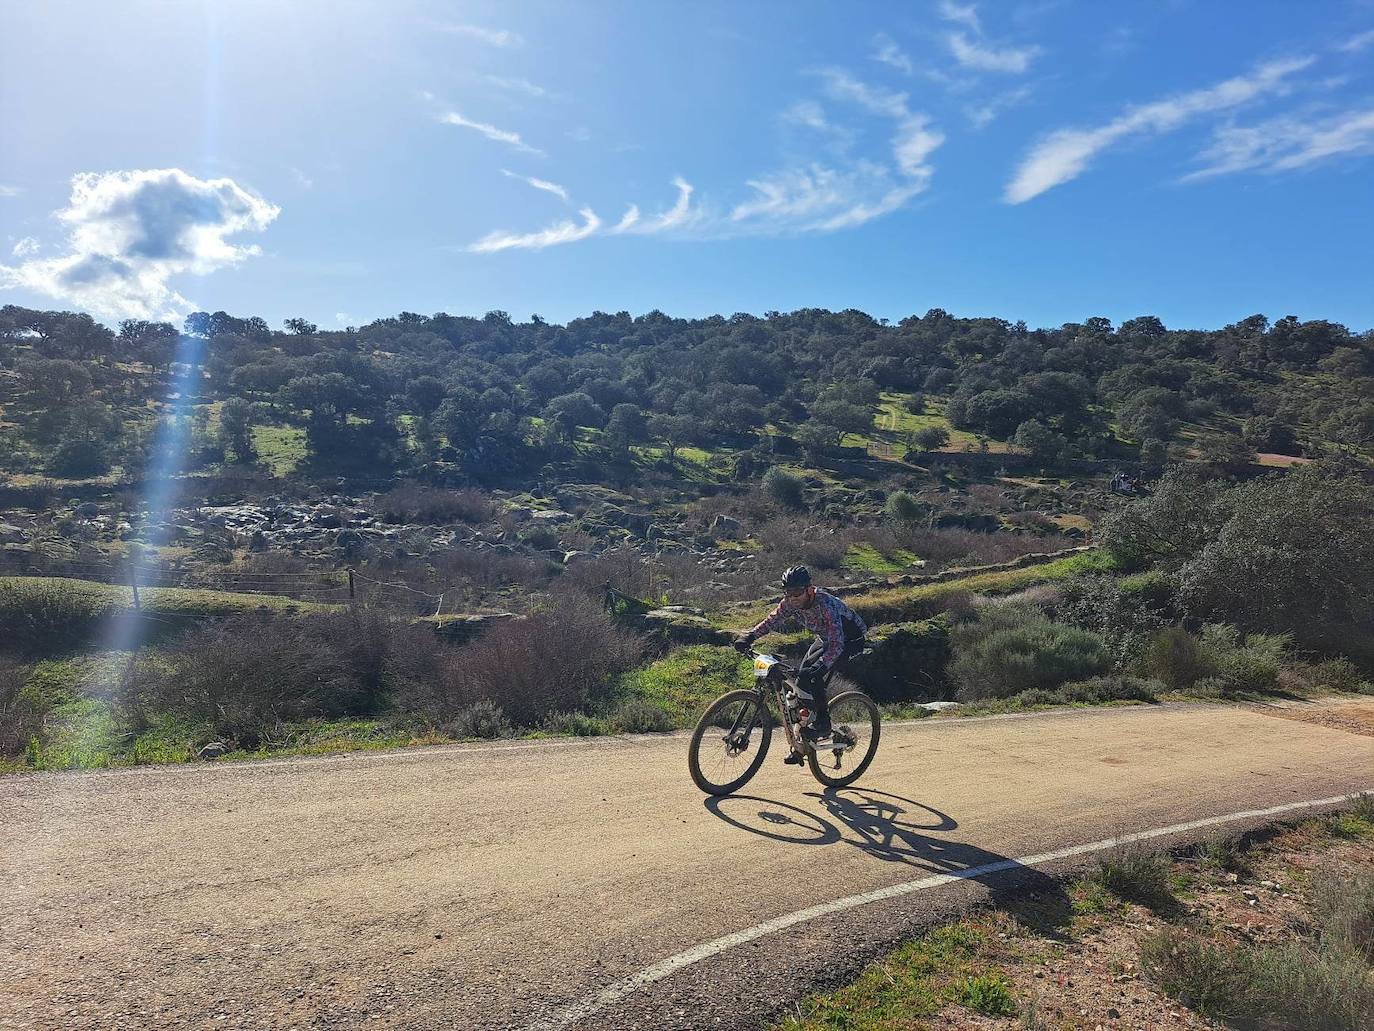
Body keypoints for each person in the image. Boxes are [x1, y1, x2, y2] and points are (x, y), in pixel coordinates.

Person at [734, 565, 867, 756]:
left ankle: (823, 723)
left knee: (814, 676)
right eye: (788, 592)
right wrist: (750, 636)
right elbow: (772, 621)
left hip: (849, 641)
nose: (793, 597)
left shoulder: (825, 604)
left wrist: (822, 665)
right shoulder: (789, 603)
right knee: (800, 683)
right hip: (826, 638)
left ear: (809, 589)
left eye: (797, 592)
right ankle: (803, 741)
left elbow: (837, 643)